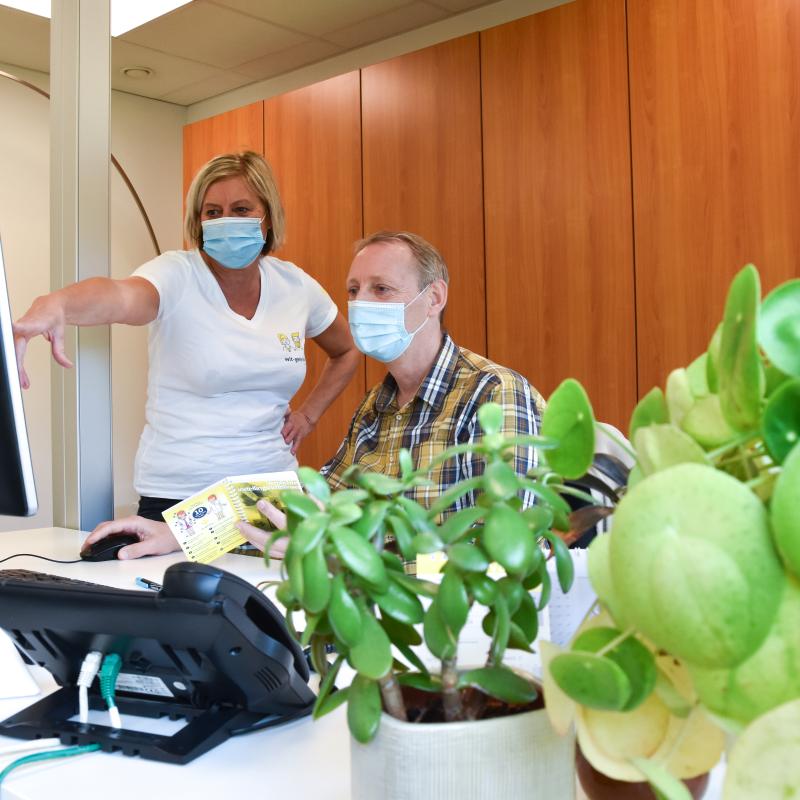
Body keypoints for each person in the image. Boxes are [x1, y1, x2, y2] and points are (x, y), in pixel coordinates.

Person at [84, 231, 544, 559]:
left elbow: (502, 554)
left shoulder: (493, 395)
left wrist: (338, 555)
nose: (362, 304)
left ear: (435, 297)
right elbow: (313, 499)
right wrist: (180, 533)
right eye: (354, 291)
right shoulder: (378, 408)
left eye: (382, 289)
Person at [14, 151, 359, 528]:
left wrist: (309, 415)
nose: (225, 220)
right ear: (198, 221)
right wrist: (57, 304)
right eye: (212, 212)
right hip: (181, 496)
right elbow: (119, 296)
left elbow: (345, 350)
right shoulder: (176, 275)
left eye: (241, 209)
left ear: (268, 216)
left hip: (270, 493)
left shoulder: (295, 286)